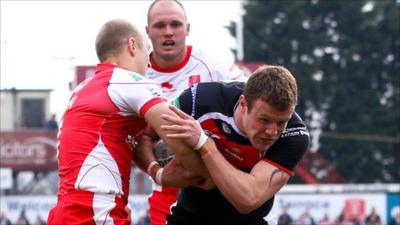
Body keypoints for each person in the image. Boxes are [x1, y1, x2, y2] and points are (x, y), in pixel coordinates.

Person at [46, 19, 203, 225]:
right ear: (131, 46)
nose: (149, 62)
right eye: (147, 50)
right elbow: (177, 133)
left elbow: (126, 141)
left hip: (65, 212)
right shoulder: (128, 81)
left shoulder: (81, 90)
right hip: (94, 213)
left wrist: (158, 173)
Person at [155, 65, 310, 225]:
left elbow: (247, 200)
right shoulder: (199, 100)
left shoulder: (294, 135)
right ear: (243, 104)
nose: (272, 131)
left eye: (281, 122)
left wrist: (205, 145)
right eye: (264, 120)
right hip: (188, 216)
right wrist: (156, 172)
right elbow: (145, 135)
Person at [140, 0, 247, 224]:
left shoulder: (213, 66)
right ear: (147, 31)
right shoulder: (135, 77)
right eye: (160, 25)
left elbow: (250, 111)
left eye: (175, 24)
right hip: (167, 190)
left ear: (187, 28)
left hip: (216, 186)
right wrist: (156, 171)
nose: (168, 32)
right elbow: (135, 139)